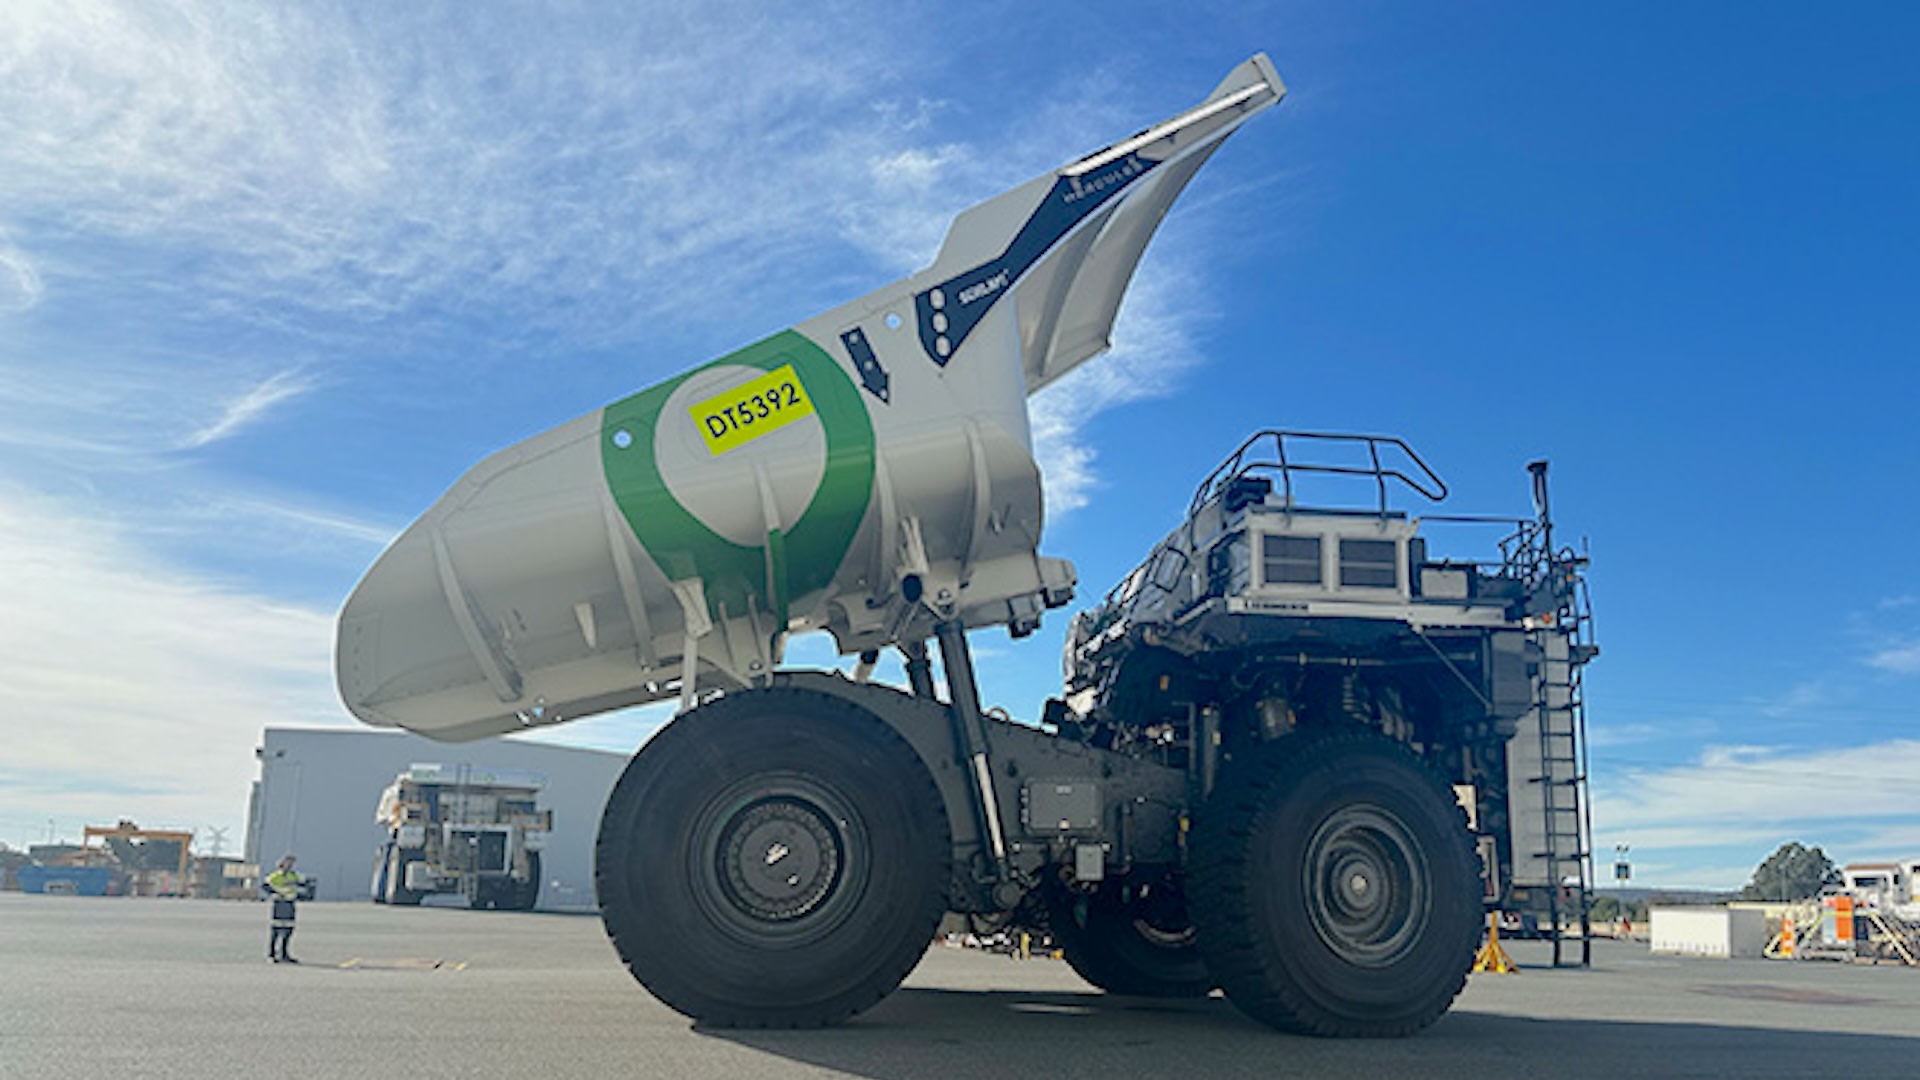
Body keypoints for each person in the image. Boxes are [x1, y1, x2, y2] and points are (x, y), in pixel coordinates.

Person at [263, 854, 305, 963]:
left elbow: (303, 884)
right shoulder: (275, 876)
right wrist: (276, 893)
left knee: (288, 930)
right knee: (276, 929)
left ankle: (284, 953)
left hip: (290, 903)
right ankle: (271, 954)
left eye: (292, 863)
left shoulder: (294, 875)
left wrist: (298, 888)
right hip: (279, 903)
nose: (290, 865)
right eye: (288, 862)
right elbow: (265, 886)